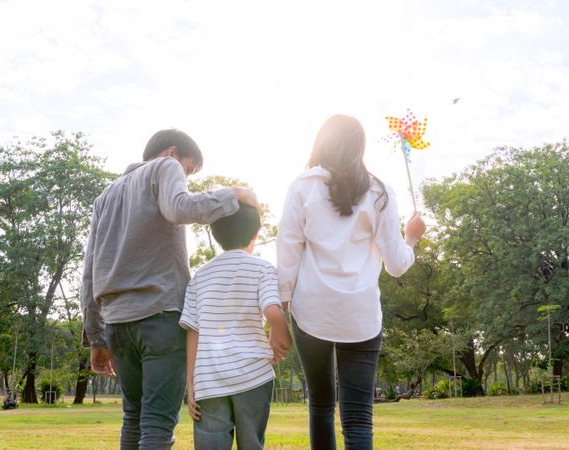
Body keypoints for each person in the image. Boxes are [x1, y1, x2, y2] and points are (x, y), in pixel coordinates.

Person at [80, 129, 258, 450]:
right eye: (188, 170)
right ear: (172, 153)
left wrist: (95, 337)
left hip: (117, 326)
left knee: (133, 418)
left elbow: (89, 273)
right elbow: (179, 208)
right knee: (158, 424)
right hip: (160, 316)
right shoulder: (166, 167)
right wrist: (234, 195)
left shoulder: (104, 198)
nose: (185, 177)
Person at [276, 114, 427, 450]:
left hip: (311, 311)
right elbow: (397, 265)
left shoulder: (302, 186)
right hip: (360, 316)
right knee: (358, 417)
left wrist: (278, 308)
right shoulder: (381, 192)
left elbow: (287, 253)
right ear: (361, 148)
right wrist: (411, 238)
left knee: (320, 405)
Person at [179, 202, 292, 450]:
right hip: (253, 374)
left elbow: (193, 331)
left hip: (209, 379)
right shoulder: (262, 269)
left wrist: (190, 381)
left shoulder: (200, 276)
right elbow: (272, 310)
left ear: (215, 233)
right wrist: (283, 340)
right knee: (252, 443)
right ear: (257, 230)